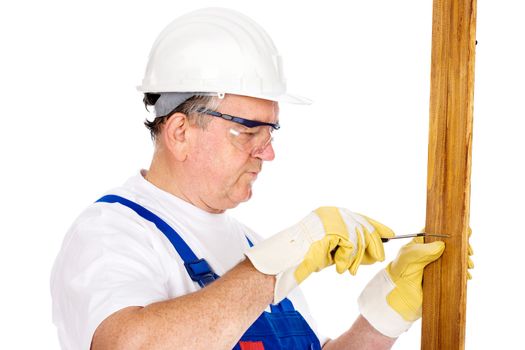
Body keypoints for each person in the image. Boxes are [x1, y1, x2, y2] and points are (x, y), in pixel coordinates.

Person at [51, 7, 446, 349]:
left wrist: (383, 316)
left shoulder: (251, 244)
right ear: (179, 132)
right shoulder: (111, 235)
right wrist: (277, 265)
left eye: (271, 131)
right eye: (248, 129)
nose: (268, 152)